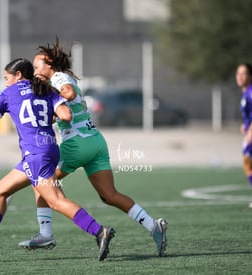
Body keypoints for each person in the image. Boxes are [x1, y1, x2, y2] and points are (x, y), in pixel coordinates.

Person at [18, 38, 168, 256]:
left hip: (76, 144)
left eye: (37, 64)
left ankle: (46, 234)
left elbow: (68, 92)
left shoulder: (59, 78)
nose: (34, 69)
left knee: (41, 183)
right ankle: (153, 226)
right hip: (95, 142)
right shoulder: (57, 81)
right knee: (109, 195)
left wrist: (59, 97)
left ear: (49, 63)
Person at [0, 58, 115, 261]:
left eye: (7, 78)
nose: (5, 83)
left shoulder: (8, 93)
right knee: (0, 190)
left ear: (18, 75)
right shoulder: (45, 90)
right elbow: (66, 116)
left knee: (56, 201)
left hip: (35, 155)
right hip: (49, 149)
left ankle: (99, 231)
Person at [236, 63, 252, 208]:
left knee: (248, 163)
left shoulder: (251, 92)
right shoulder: (246, 92)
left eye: (244, 74)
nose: (240, 77)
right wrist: (246, 126)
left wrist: (250, 130)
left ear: (251, 76)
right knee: (249, 163)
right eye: (238, 74)